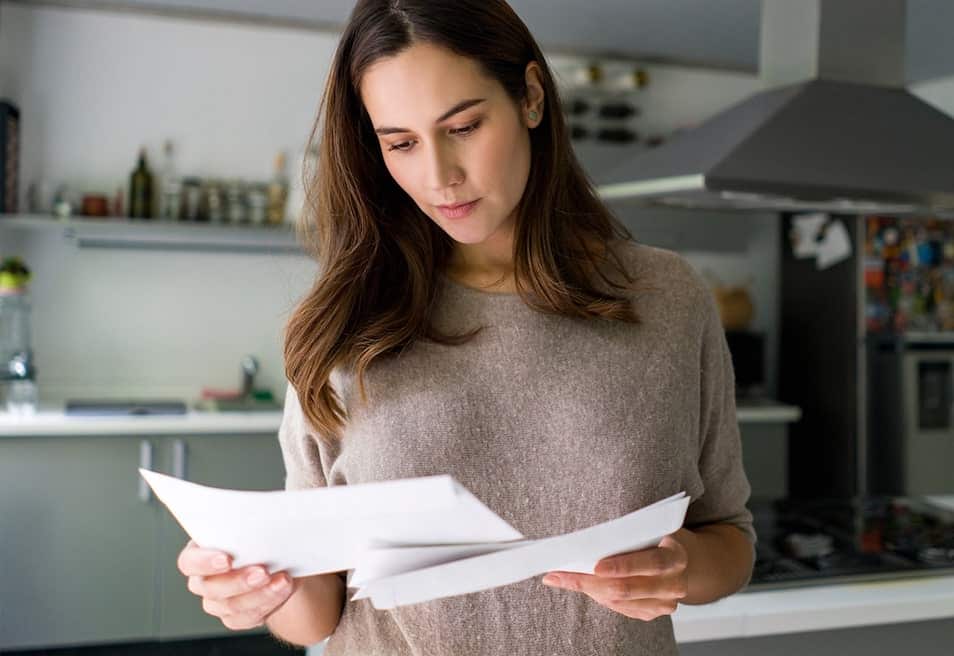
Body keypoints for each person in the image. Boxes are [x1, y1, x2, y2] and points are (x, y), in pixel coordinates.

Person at [176, 1, 757, 653]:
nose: (438, 177)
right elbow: (315, 614)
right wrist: (257, 586)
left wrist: (682, 569)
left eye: (464, 127)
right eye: (400, 143)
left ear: (531, 97)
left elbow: (729, 538)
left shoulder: (667, 298)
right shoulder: (341, 320)